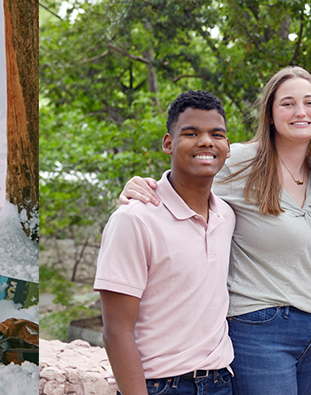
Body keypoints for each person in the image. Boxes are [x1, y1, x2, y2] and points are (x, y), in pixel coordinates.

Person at [119, 66, 311, 395]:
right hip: (259, 327)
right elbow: (188, 172)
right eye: (287, 103)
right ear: (271, 115)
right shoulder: (242, 161)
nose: (301, 112)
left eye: (310, 102)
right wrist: (139, 186)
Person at [95, 90, 235, 395]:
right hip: (160, 386)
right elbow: (115, 332)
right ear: (168, 143)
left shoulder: (226, 215)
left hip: (220, 383)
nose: (206, 142)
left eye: (217, 134)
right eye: (191, 133)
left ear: (227, 146)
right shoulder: (134, 219)